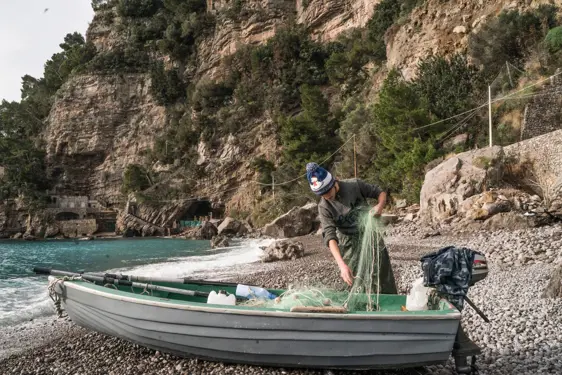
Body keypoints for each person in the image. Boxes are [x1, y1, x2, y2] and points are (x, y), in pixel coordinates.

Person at [306, 162, 397, 294]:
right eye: (322, 194)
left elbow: (380, 193)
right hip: (348, 244)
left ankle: (389, 306)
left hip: (370, 235)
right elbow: (330, 236)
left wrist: (379, 206)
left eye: (327, 191)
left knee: (381, 273)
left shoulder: (354, 185)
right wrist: (342, 265)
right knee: (355, 279)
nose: (326, 196)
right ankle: (362, 308)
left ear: (333, 182)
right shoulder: (324, 207)